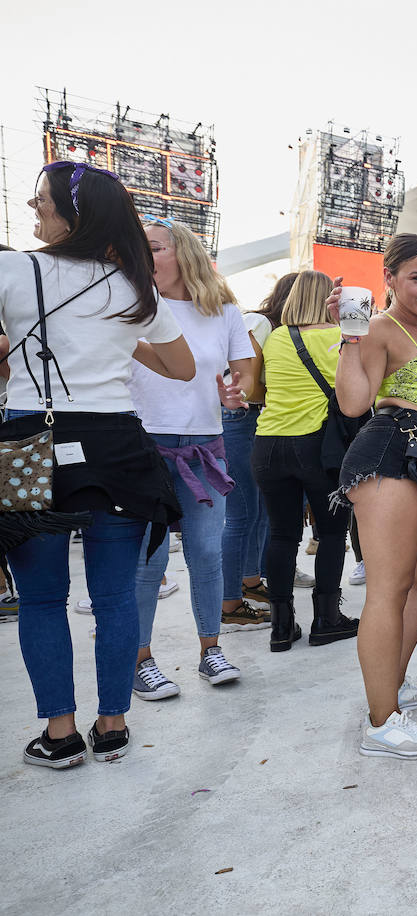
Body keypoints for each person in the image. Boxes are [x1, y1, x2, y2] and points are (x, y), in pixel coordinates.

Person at [2, 161, 191, 767]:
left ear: (71, 214)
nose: (34, 211)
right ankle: (113, 725)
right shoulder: (135, 287)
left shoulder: (13, 269)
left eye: (41, 202)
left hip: (33, 445)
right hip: (118, 447)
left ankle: (60, 734)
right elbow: (182, 368)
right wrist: (112, 336)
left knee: (41, 599)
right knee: (114, 598)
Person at [127, 218, 257, 700]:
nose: (143, 255)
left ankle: (211, 650)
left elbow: (242, 372)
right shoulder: (130, 303)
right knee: (150, 558)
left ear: (182, 253)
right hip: (143, 446)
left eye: (153, 247)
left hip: (204, 443)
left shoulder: (220, 308)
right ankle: (140, 658)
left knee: (206, 552)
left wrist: (234, 393)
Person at [334, 233, 417, 758]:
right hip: (388, 454)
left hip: (414, 460)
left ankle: (392, 684)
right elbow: (355, 402)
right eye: (416, 278)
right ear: (391, 280)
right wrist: (350, 334)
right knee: (387, 589)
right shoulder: (382, 326)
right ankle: (382, 722)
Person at [252, 270, 358, 652]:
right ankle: (327, 619)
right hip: (315, 445)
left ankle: (281, 627)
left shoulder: (277, 336)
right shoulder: (338, 338)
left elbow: (260, 385)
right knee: (331, 533)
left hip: (267, 444)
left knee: (281, 533)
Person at [226, 272, 296, 617]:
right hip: (238, 418)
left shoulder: (280, 332)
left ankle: (250, 582)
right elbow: (244, 383)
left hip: (252, 419)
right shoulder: (260, 323)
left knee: (257, 510)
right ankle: (230, 600)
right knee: (240, 514)